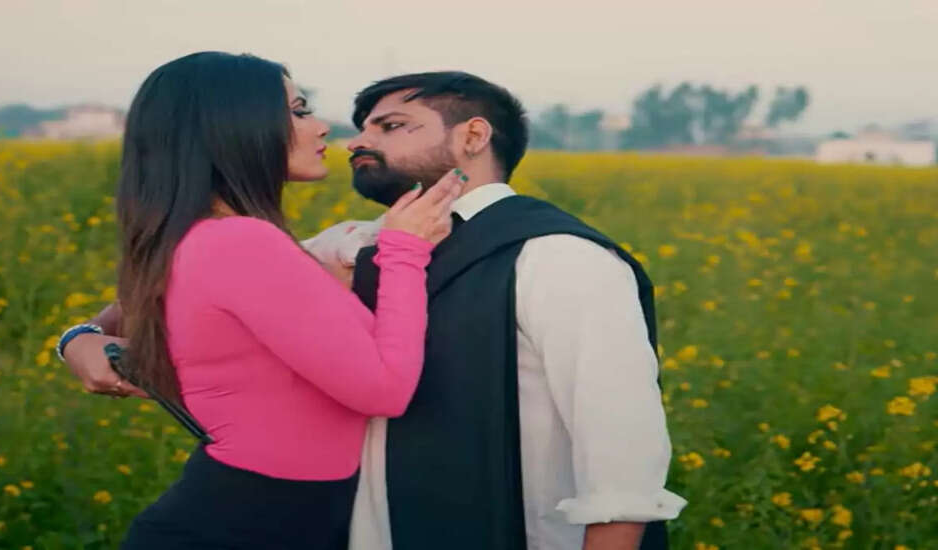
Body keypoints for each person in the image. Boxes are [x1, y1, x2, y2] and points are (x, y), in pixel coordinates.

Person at [64, 70, 686, 550]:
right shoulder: (357, 242)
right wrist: (82, 334)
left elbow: (623, 462)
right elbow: (172, 280)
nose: (356, 140)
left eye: (391, 126)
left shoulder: (559, 258)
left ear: (473, 137)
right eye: (361, 127)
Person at [57, 51, 461, 549]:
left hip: (253, 513)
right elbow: (385, 391)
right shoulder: (240, 243)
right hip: (248, 522)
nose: (321, 127)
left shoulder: (195, 236)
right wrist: (405, 250)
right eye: (299, 110)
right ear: (232, 126)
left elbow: (123, 311)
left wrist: (76, 337)